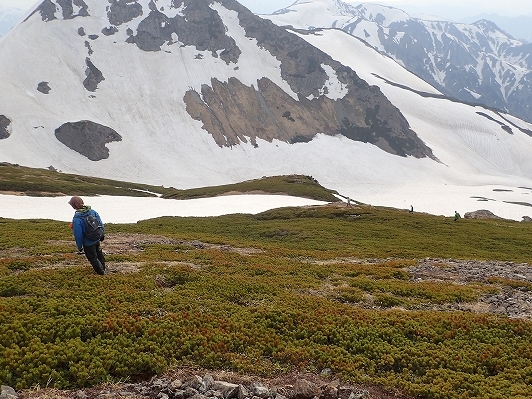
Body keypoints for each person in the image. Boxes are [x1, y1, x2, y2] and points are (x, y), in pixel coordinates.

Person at [69, 196, 106, 275]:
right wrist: (102, 234)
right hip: (96, 238)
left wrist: (79, 246)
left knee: (92, 257)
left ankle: (100, 272)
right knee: (99, 253)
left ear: (73, 206)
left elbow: (78, 234)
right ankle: (103, 267)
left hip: (88, 242)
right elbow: (100, 223)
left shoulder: (77, 218)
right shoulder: (92, 211)